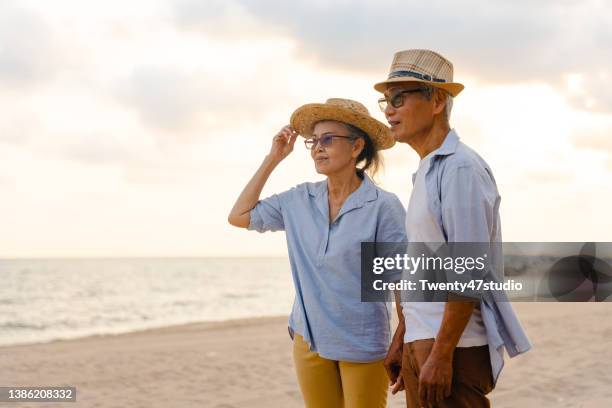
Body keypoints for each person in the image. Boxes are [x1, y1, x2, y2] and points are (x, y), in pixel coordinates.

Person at [375, 49, 532, 407]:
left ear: (436, 101)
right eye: (386, 100)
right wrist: (403, 334)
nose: (388, 109)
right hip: (425, 343)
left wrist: (442, 353)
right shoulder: (428, 170)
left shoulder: (459, 169)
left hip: (452, 350)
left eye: (399, 98)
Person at [227, 98, 406, 408]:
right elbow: (239, 216)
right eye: (313, 141)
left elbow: (402, 279)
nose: (317, 148)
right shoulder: (299, 200)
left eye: (328, 140)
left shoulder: (383, 206)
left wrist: (403, 340)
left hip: (363, 341)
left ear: (356, 147)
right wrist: (273, 158)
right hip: (309, 340)